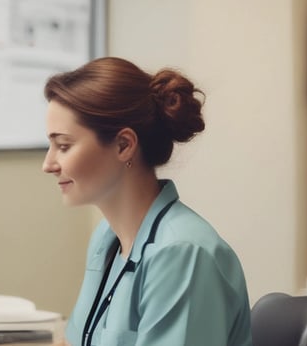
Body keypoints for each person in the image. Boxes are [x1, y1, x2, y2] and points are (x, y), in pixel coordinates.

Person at [41, 57, 252, 346]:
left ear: (124, 145)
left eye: (63, 146)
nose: (48, 164)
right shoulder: (106, 239)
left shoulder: (182, 254)